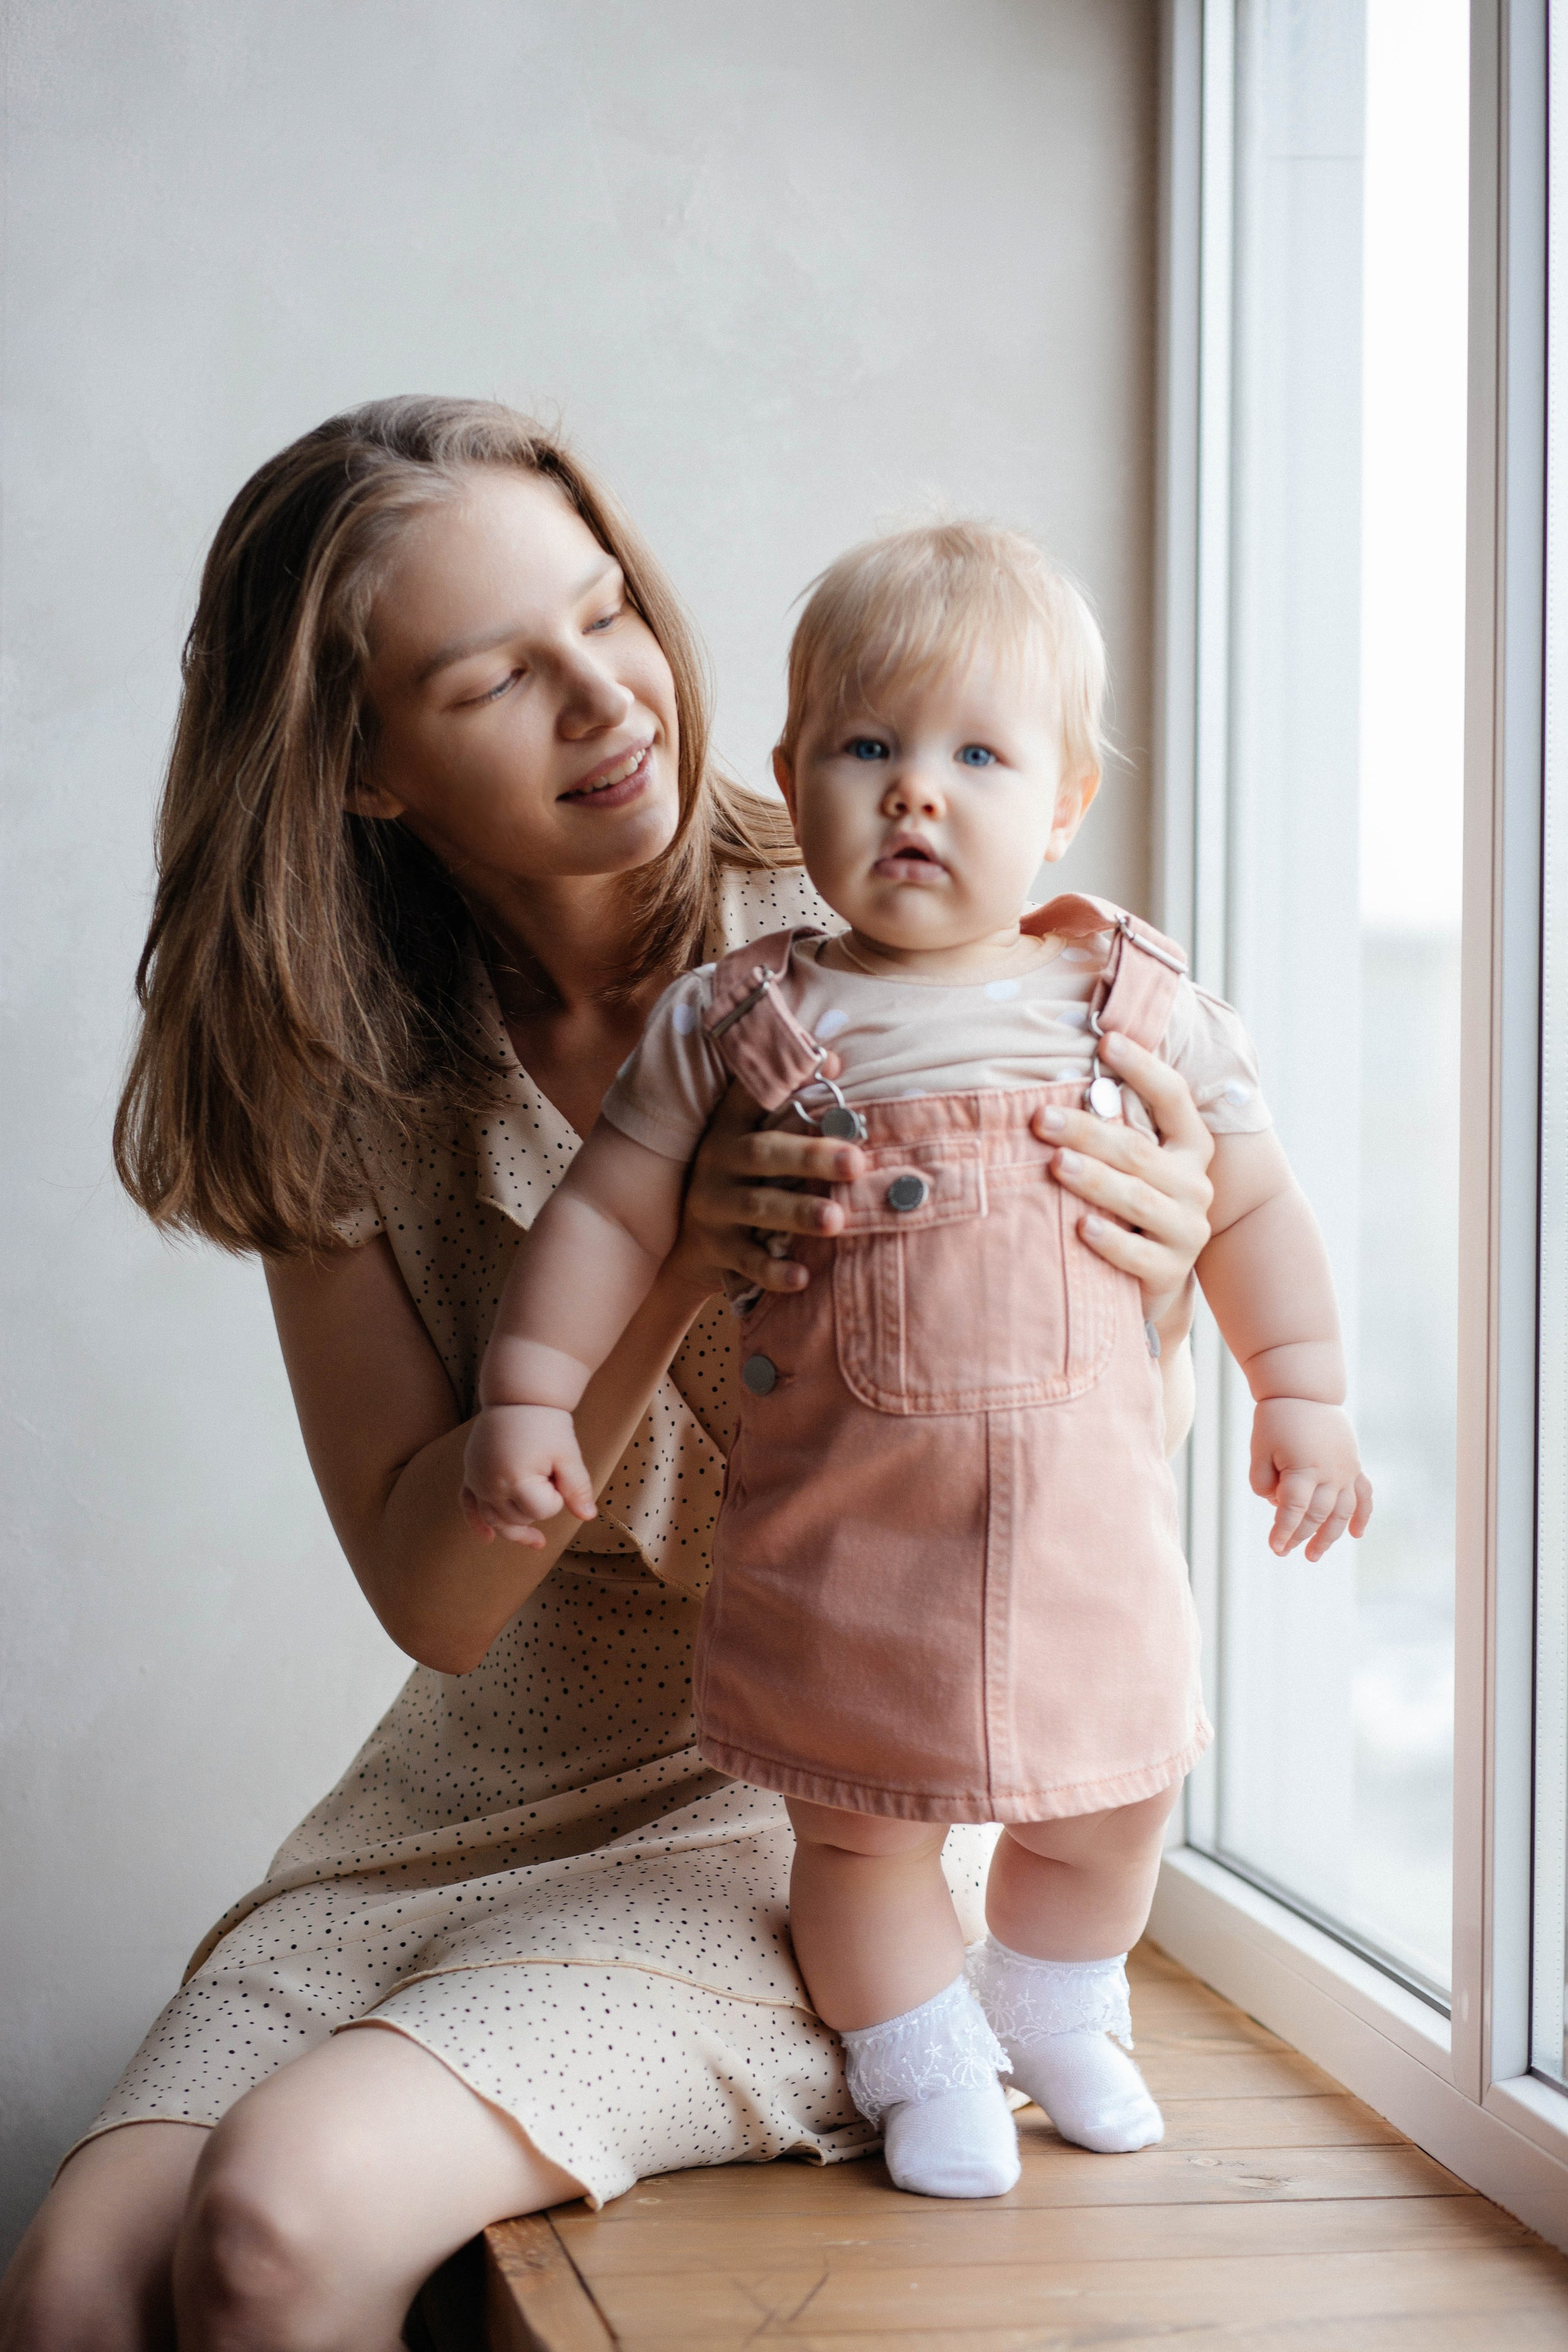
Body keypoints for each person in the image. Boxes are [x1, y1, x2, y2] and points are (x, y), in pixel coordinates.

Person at [1, 402, 1218, 2352]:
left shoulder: (875, 924)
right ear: (366, 768)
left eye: (608, 614)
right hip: (475, 1786)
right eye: (496, 680)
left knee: (273, 2232)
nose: (607, 701)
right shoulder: (338, 1065)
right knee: (74, 2285)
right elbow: (439, 1599)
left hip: (824, 1780)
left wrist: (1163, 1282)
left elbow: (1119, 1439)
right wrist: (673, 1263)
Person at [462, 519, 1373, 2203]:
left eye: (976, 756)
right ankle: (918, 2060)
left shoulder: (1136, 1010)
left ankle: (1056, 2001)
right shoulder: (741, 1022)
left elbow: (1252, 1207)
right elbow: (604, 1214)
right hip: (849, 1552)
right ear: (792, 777)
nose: (916, 797)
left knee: (1114, 1805)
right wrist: (530, 1394)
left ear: (1066, 801)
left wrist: (1302, 1390)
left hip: (1087, 1550)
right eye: (869, 748)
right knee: (858, 1834)